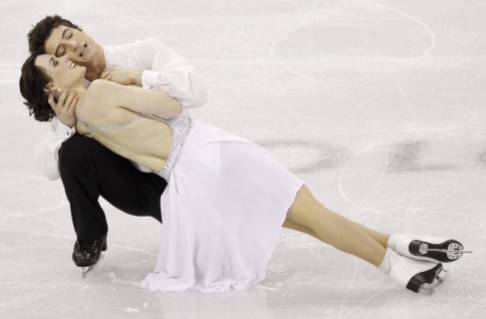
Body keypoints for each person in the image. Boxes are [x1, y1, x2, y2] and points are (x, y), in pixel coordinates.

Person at [19, 52, 468, 294]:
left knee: (303, 220)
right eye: (54, 63)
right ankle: (401, 271)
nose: (65, 59)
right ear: (53, 87)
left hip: (189, 182)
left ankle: (398, 243)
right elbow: (174, 106)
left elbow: (79, 148)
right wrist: (141, 79)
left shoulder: (79, 124)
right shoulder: (101, 89)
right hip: (208, 152)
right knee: (316, 213)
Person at [26, 15, 207, 270]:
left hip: (184, 164)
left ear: (80, 29)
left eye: (70, 35)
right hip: (142, 187)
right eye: (61, 53)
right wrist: (70, 128)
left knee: (223, 232)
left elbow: (196, 91)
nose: (73, 48)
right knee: (72, 150)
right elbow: (47, 166)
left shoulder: (141, 52)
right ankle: (91, 236)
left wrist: (139, 75)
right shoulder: (69, 95)